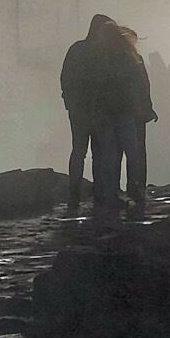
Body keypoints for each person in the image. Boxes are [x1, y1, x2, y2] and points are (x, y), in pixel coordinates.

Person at [86, 21, 157, 216]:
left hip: (111, 113)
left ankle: (113, 193)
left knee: (111, 155)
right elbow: (140, 84)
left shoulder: (101, 59)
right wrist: (145, 107)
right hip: (123, 112)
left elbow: (94, 88)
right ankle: (132, 189)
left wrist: (94, 111)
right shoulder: (128, 58)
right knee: (131, 153)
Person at [59, 15, 116, 211]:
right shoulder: (103, 52)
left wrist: (69, 102)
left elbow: (65, 77)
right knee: (96, 151)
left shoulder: (76, 49)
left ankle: (75, 195)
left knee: (80, 151)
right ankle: (99, 193)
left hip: (80, 110)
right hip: (94, 110)